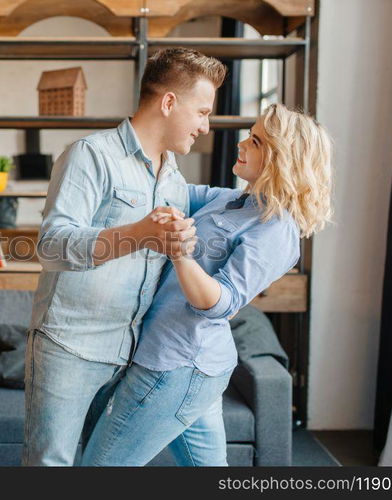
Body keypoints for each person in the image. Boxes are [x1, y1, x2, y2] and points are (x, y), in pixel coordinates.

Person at [80, 103, 333, 466]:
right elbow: (171, 191)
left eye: (256, 141)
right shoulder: (233, 200)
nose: (241, 144)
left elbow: (221, 302)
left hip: (176, 365)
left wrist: (181, 254)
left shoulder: (277, 230)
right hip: (189, 363)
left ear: (282, 158)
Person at [23, 48, 227, 466]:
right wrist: (138, 235)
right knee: (50, 465)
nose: (206, 127)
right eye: (202, 112)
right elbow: (52, 244)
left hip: (130, 352)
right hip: (69, 345)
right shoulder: (91, 155)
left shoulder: (174, 177)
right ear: (169, 102)